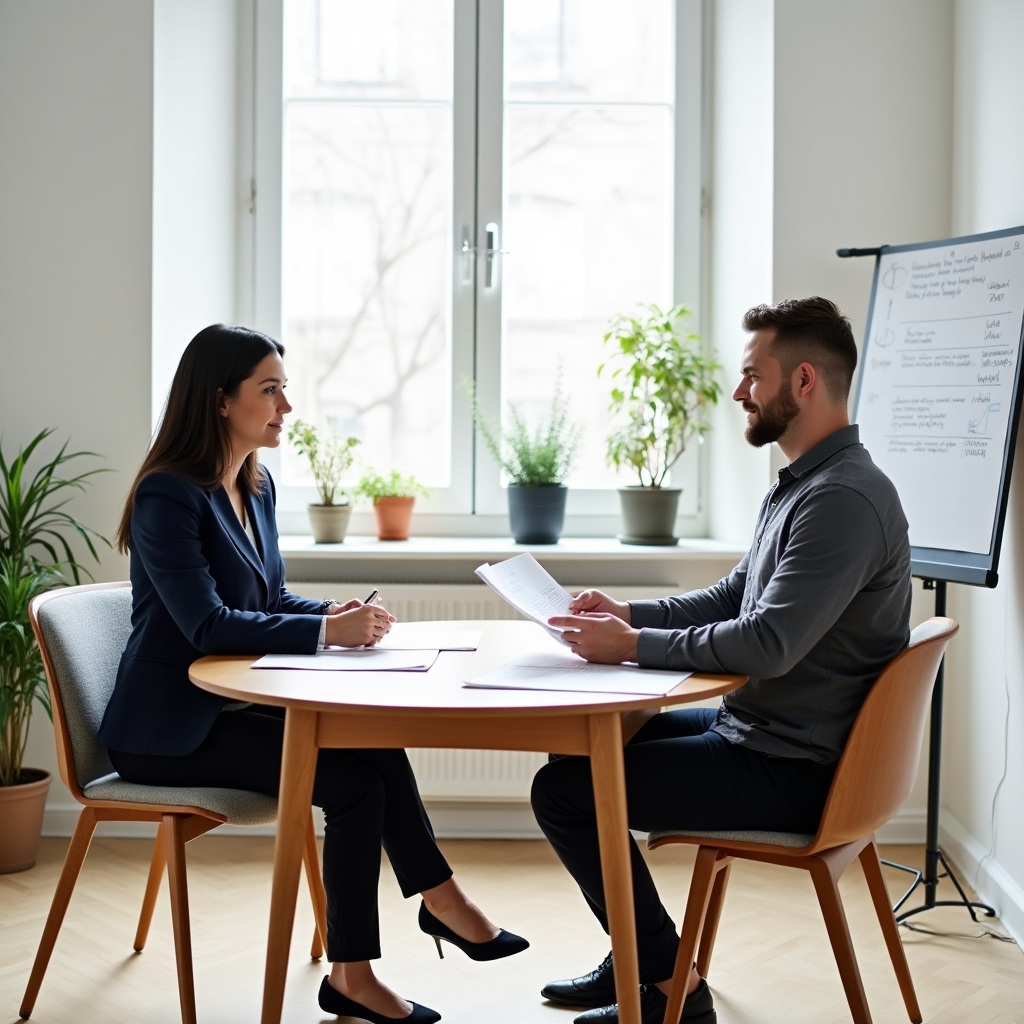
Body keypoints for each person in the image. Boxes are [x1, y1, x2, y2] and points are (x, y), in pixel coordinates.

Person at [98, 324, 527, 1024]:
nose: (285, 408)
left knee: (373, 740)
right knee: (354, 788)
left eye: (284, 391)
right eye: (269, 391)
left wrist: (330, 612)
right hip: (168, 730)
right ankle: (360, 971)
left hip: (233, 709)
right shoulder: (167, 497)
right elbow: (206, 624)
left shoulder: (254, 488)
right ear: (219, 400)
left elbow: (263, 602)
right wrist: (327, 633)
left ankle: (437, 903)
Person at [531, 297, 912, 1024]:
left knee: (566, 795)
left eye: (750, 376)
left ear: (802, 381)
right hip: (764, 735)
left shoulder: (844, 501)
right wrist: (628, 616)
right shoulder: (805, 483)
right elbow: (737, 594)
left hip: (795, 770)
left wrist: (633, 648)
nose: (739, 392)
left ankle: (672, 988)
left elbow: (766, 642)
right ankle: (641, 958)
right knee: (586, 751)